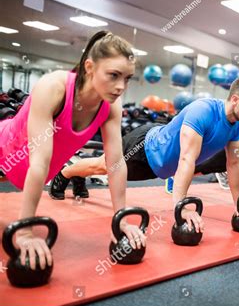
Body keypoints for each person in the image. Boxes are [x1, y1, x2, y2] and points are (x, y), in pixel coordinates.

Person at [49, 75, 239, 232]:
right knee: (101, 166)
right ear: (236, 100)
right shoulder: (204, 111)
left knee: (101, 166)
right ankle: (66, 173)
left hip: (161, 166)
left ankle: (75, 174)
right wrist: (180, 207)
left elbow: (235, 164)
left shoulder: (236, 125)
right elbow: (186, 158)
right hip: (144, 149)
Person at [0, 31, 138, 270]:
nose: (120, 87)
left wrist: (121, 220)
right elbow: (39, 162)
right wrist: (25, 230)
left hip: (28, 171)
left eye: (127, 79)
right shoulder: (54, 87)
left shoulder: (111, 108)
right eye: (113, 75)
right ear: (90, 67)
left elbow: (115, 163)